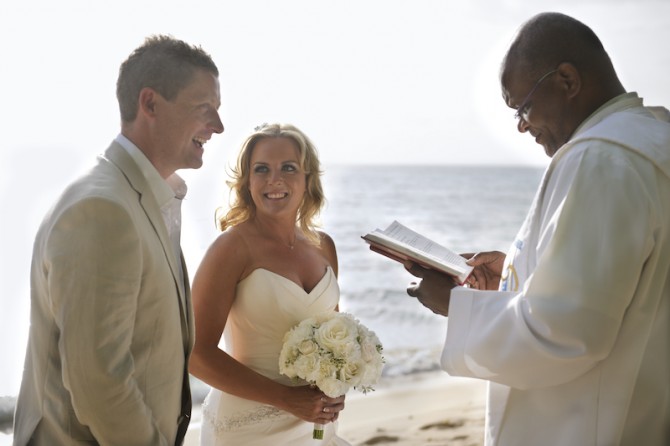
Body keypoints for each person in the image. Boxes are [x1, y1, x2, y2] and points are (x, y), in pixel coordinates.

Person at [405, 12, 670, 446]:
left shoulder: (601, 158)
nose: (522, 125)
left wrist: (457, 305)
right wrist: (515, 272)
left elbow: (563, 334)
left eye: (523, 106)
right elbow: (624, 289)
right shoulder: (653, 138)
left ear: (567, 80)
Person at [12, 35, 224, 446]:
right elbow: (99, 383)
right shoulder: (102, 210)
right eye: (205, 110)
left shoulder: (140, 199)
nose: (217, 126)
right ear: (150, 104)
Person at [189, 123, 351, 445]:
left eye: (288, 168)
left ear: (307, 180)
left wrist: (337, 386)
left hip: (316, 427)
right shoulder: (231, 248)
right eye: (261, 169)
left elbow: (333, 342)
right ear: (247, 182)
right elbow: (195, 354)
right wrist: (286, 398)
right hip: (247, 428)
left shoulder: (324, 247)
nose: (274, 180)